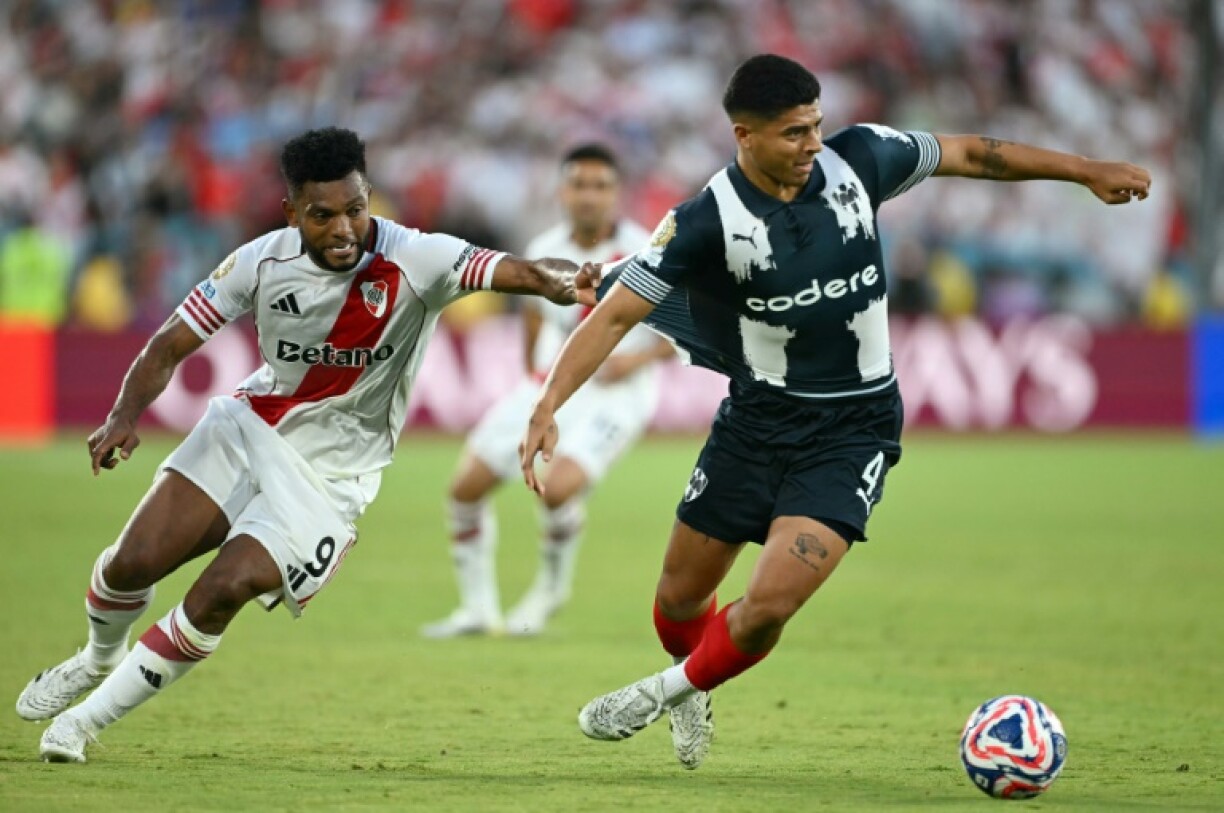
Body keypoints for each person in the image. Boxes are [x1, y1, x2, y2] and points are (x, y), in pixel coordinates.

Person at [519, 54, 1150, 771]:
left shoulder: (861, 159)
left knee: (768, 606)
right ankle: (690, 678)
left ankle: (662, 692)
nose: (814, 143)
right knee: (677, 601)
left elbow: (973, 154)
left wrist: (1084, 170)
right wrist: (547, 402)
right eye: (795, 132)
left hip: (854, 430)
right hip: (756, 421)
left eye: (817, 125)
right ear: (745, 136)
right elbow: (614, 314)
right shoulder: (704, 220)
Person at [16, 127, 597, 763]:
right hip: (250, 429)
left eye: (356, 209)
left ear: (368, 197)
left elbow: (522, 271)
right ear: (292, 212)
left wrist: (564, 283)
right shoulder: (258, 263)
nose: (344, 229)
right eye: (323, 216)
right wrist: (123, 415)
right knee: (131, 564)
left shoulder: (418, 257)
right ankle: (98, 658)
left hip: (335, 476)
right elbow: (170, 342)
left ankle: (82, 723)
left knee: (224, 590)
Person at [422, 144, 671, 638]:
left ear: (616, 193)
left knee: (557, 492)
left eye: (600, 186)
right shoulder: (546, 247)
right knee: (464, 491)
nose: (589, 196)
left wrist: (634, 361)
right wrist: (531, 380)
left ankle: (550, 591)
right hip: (552, 386)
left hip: (618, 394)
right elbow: (533, 318)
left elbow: (683, 332)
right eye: (579, 185)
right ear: (562, 191)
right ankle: (477, 609)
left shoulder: (646, 251)